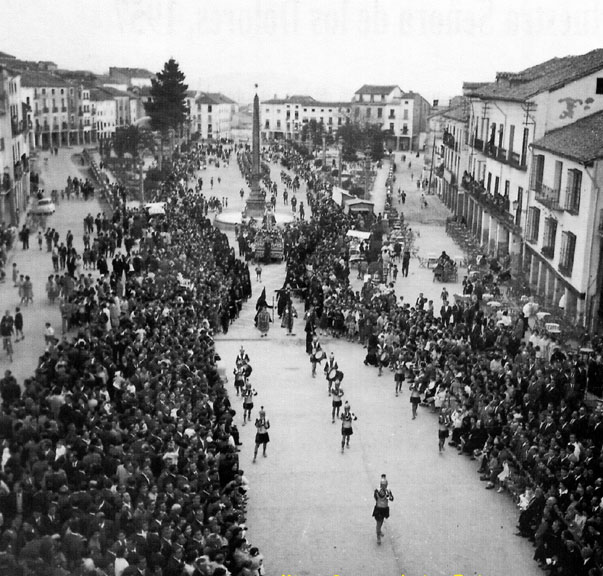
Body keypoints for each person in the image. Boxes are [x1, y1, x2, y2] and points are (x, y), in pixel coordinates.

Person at [373, 474, 394, 544]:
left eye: (385, 485)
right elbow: (376, 498)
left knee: (381, 522)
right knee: (379, 523)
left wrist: (387, 495)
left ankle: (379, 531)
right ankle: (378, 536)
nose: (384, 486)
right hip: (379, 509)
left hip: (384, 509)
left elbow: (391, 499)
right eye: (383, 485)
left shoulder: (387, 491)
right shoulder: (378, 491)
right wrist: (384, 495)